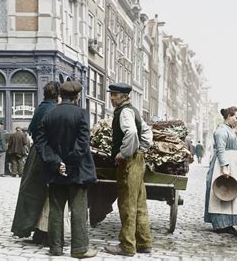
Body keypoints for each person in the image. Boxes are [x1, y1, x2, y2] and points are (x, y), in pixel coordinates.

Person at [35, 81, 98, 258]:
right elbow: (82, 143)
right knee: (78, 209)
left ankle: (55, 248)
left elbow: (41, 142)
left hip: (55, 170)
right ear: (77, 97)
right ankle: (79, 249)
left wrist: (57, 162)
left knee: (56, 209)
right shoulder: (82, 114)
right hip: (77, 170)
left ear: (60, 96)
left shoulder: (49, 114)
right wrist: (69, 163)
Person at [104, 83, 153, 257]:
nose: (111, 97)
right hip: (138, 160)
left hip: (129, 163)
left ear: (125, 96)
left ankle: (127, 246)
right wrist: (141, 150)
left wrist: (123, 154)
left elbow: (131, 133)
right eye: (111, 94)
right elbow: (147, 134)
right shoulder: (134, 111)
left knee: (127, 204)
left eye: (115, 94)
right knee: (140, 203)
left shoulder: (124, 112)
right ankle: (144, 242)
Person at [11, 81, 60, 244]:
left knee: (32, 191)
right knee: (44, 193)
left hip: (35, 154)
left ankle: (35, 229)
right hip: (44, 154)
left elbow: (32, 129)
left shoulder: (41, 107)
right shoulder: (52, 109)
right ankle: (43, 232)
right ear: (57, 96)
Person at [204, 106, 237, 236]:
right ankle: (220, 224)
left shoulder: (231, 130)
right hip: (223, 163)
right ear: (229, 116)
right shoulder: (221, 131)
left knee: (233, 192)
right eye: (236, 118)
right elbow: (220, 149)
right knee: (221, 191)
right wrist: (224, 166)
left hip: (234, 163)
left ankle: (229, 223)